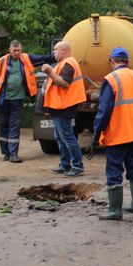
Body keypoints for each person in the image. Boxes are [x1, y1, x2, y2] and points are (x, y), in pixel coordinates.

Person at [92, 47, 133, 220]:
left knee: (114, 168)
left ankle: (115, 210)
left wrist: (96, 132)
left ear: (112, 61)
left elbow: (104, 109)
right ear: (128, 61)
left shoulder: (111, 79)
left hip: (118, 131)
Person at [0, 40, 55, 163]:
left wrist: (56, 56)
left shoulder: (26, 59)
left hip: (17, 99)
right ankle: (6, 153)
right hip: (3, 99)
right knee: (4, 125)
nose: (17, 53)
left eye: (18, 50)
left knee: (14, 125)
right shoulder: (1, 61)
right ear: (9, 50)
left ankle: (14, 154)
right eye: (14, 51)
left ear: (21, 49)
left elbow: (44, 58)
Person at [41, 41, 86, 177]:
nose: (54, 52)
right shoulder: (62, 64)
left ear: (65, 50)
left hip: (64, 107)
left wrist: (49, 72)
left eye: (56, 50)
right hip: (58, 106)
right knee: (60, 137)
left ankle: (77, 166)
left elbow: (64, 84)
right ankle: (65, 164)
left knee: (67, 137)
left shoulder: (68, 64)